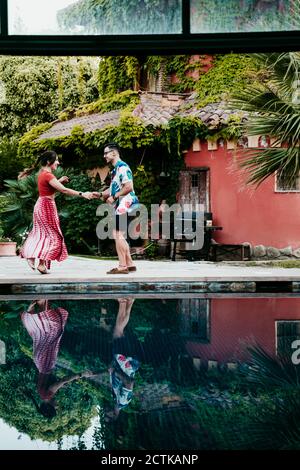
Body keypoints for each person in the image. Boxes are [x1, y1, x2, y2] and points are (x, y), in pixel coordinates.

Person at [19, 150, 96, 274]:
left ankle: (40, 263)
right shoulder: (48, 175)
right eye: (56, 160)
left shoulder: (43, 174)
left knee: (45, 234)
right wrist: (83, 194)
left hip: (43, 205)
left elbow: (48, 189)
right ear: (49, 162)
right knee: (53, 236)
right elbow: (64, 191)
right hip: (46, 207)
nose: (58, 163)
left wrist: (59, 181)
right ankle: (31, 255)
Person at [21, 299, 94, 418]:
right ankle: (38, 306)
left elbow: (63, 380)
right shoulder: (42, 394)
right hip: (40, 361)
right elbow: (56, 382)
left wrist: (81, 375)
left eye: (55, 408)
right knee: (47, 332)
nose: (57, 406)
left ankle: (39, 306)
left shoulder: (47, 395)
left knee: (54, 329)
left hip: (45, 362)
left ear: (49, 407)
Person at [96, 143, 139, 274]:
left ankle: (122, 266)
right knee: (119, 234)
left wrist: (114, 197)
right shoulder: (115, 170)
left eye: (106, 153)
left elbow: (129, 187)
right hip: (123, 204)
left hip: (126, 203)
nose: (104, 156)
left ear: (114, 153)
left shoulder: (123, 167)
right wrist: (99, 194)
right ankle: (130, 264)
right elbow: (114, 188)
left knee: (117, 233)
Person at [107, 297, 142, 420]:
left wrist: (112, 367)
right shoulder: (122, 402)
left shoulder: (115, 399)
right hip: (126, 364)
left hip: (124, 363)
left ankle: (129, 301)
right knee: (118, 332)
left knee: (119, 333)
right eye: (107, 415)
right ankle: (123, 302)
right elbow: (129, 383)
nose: (106, 412)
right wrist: (115, 371)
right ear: (114, 415)